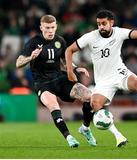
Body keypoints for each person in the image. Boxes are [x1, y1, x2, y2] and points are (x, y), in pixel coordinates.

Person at [65, 10, 137, 147]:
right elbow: (69, 50)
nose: (101, 27)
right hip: (103, 81)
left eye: (104, 23)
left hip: (119, 72)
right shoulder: (90, 37)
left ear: (111, 23)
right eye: (98, 24)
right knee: (95, 104)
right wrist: (69, 70)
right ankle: (118, 136)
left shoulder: (119, 32)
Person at [16, 15, 97, 148]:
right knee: (54, 106)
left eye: (52, 27)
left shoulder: (60, 40)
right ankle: (69, 137)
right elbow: (18, 63)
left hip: (60, 79)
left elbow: (65, 62)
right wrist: (31, 57)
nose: (50, 31)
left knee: (90, 96)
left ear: (56, 27)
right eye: (47, 28)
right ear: (41, 27)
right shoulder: (33, 42)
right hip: (42, 83)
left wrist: (77, 68)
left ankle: (85, 128)